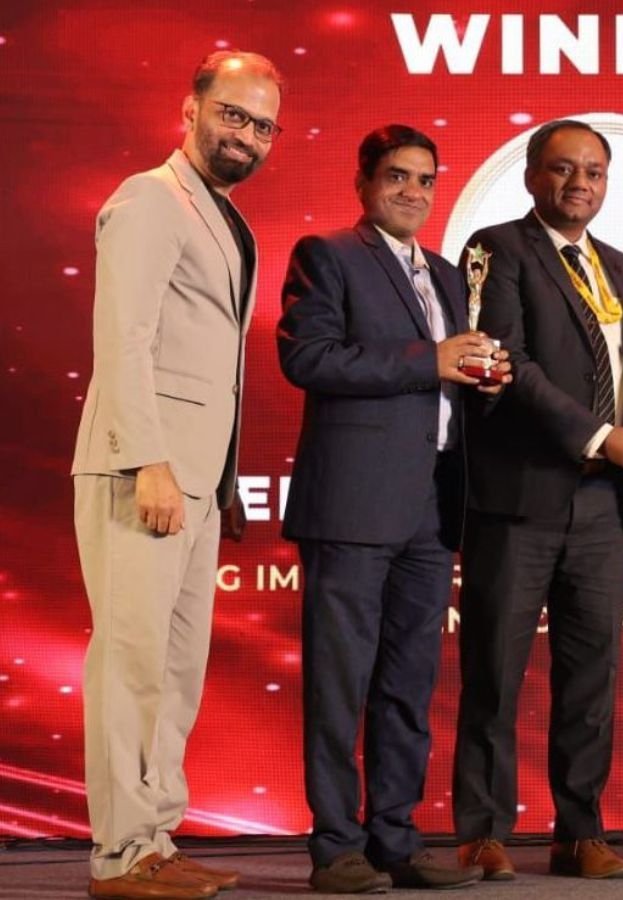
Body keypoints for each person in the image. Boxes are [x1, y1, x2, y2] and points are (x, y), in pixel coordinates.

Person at [70, 50, 282, 900]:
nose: (247, 136)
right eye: (234, 115)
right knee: (131, 664)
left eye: (263, 126)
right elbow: (122, 338)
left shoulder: (223, 215)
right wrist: (148, 461)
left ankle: (155, 838)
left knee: (175, 669)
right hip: (144, 468)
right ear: (190, 111)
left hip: (196, 480)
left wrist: (216, 479)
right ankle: (120, 855)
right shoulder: (148, 199)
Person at [277, 125, 507, 894]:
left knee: (409, 684)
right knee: (339, 685)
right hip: (352, 505)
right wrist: (428, 360)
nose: (413, 191)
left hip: (432, 509)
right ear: (364, 183)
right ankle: (335, 847)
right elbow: (307, 357)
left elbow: (445, 383)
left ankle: (395, 840)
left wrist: (484, 378)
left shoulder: (445, 274)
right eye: (397, 176)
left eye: (425, 179)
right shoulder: (328, 255)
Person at [452, 119, 623, 881]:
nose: (580, 183)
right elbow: (507, 362)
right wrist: (599, 437)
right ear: (531, 175)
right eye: (563, 168)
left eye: (594, 172)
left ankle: (580, 833)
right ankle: (483, 833)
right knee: (495, 670)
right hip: (519, 496)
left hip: (604, 504)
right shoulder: (496, 249)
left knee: (591, 677)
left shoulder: (622, 269)